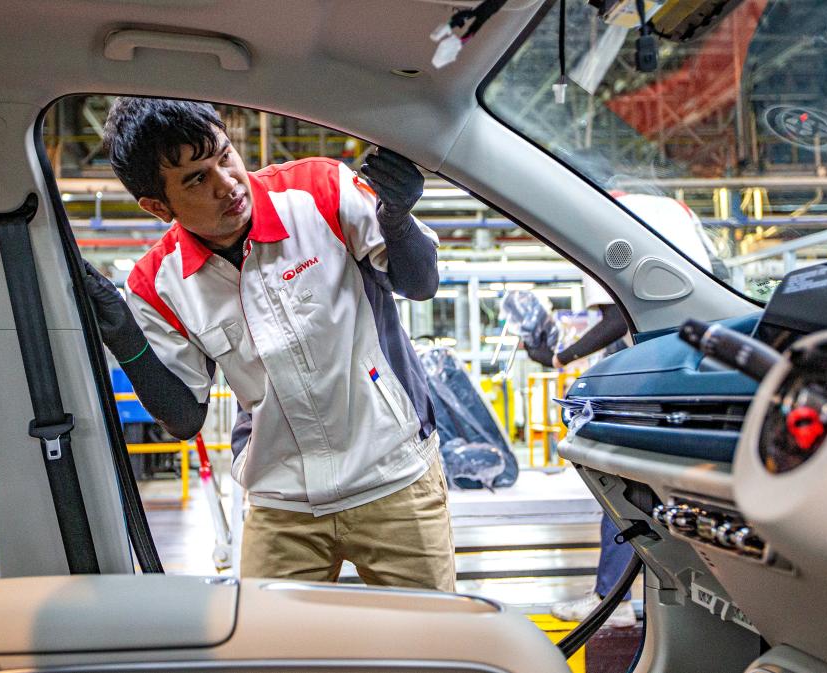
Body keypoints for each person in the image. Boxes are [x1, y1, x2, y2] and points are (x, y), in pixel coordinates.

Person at [84, 98, 455, 592]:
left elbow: (420, 283)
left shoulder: (319, 190)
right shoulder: (158, 283)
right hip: (282, 505)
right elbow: (184, 417)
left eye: (224, 155)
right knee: (267, 639)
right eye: (196, 180)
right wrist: (123, 335)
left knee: (431, 636)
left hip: (394, 477)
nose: (227, 184)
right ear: (157, 206)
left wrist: (397, 219)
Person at [523, 192, 717, 628]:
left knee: (622, 484)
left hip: (654, 384)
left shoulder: (602, 223)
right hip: (682, 377)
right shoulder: (664, 214)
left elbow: (615, 320)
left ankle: (611, 598)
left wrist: (559, 357)